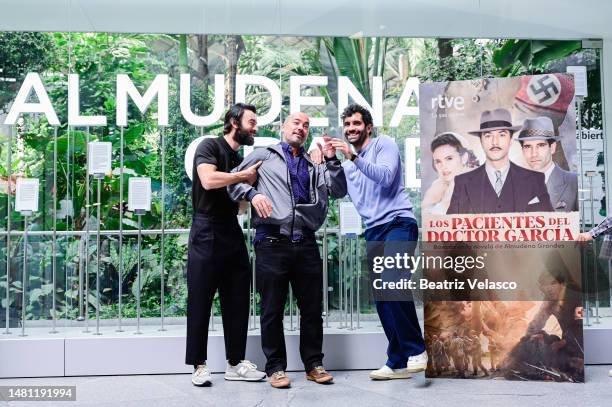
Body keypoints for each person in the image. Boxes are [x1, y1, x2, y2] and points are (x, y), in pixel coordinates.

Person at [228, 112, 347, 388]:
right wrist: (252, 194)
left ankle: (314, 364)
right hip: (271, 241)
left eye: (306, 125)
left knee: (312, 310)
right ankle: (276, 368)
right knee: (272, 310)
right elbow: (234, 181)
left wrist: (330, 160)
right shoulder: (264, 154)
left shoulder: (313, 160)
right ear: (283, 127)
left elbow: (339, 190)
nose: (301, 128)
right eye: (296, 123)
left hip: (305, 243)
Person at [325, 103, 427, 380]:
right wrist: (332, 160)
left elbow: (385, 177)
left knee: (394, 282)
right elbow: (335, 192)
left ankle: (417, 349)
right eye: (347, 125)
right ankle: (397, 362)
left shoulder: (384, 144)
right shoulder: (349, 163)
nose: (351, 129)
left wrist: (353, 158)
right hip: (373, 230)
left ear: (368, 127)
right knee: (383, 297)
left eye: (356, 124)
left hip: (398, 223)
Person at [185, 103, 266, 386]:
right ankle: (199, 365)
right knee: (200, 299)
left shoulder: (240, 158)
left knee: (237, 298)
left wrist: (250, 192)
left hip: (231, 229)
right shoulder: (209, 146)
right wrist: (242, 177)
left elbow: (240, 207)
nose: (255, 127)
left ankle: (234, 363)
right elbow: (207, 180)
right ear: (234, 122)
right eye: (251, 122)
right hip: (206, 228)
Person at [447, 108, 554, 214]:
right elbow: (450, 227)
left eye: (502, 135)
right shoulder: (462, 182)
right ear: (481, 141)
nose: (495, 142)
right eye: (488, 136)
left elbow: (549, 226)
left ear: (511, 140)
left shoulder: (535, 180)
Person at [518, 116, 578, 212]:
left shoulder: (574, 182)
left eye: (540, 145)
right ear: (522, 150)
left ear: (552, 147)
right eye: (528, 146)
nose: (534, 154)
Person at [422, 132, 479, 215]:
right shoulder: (438, 185)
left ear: (464, 158)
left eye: (449, 158)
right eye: (438, 161)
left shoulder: (474, 184)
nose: (443, 166)